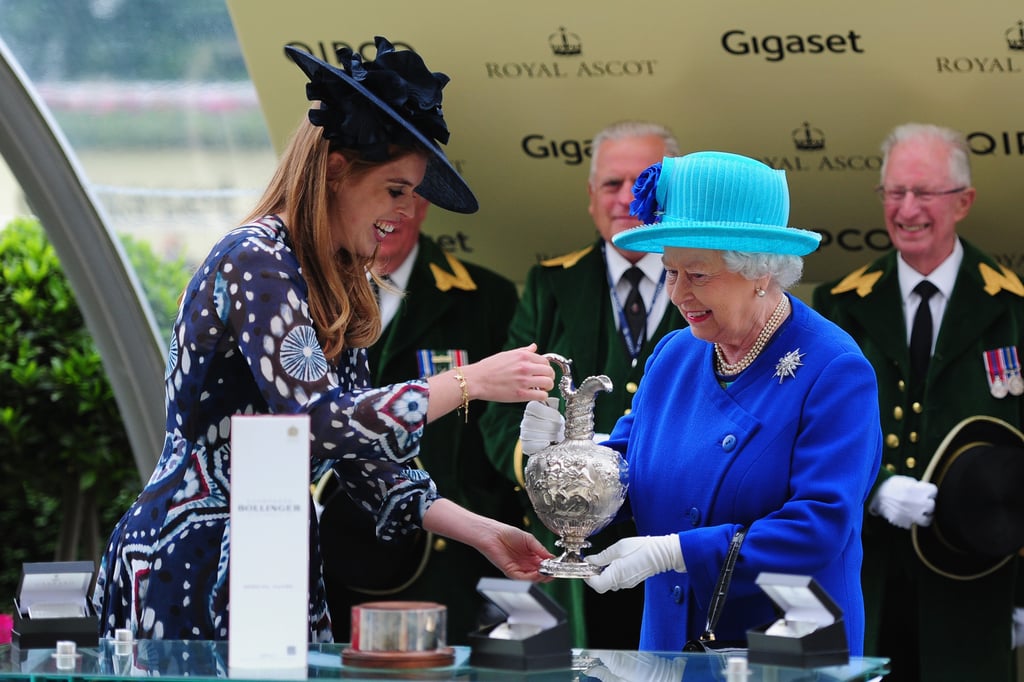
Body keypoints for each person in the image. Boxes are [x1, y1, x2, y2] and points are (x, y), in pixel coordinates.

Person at [90, 36, 556, 642]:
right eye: (395, 189)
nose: (406, 212)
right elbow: (315, 422)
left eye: (413, 194)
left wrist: (481, 531)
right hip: (188, 564)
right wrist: (469, 382)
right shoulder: (253, 257)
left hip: (273, 563)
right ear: (337, 170)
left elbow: (362, 457)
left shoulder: (334, 279)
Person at [522, 151, 882, 653]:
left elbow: (819, 525)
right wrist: (565, 457)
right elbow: (624, 474)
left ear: (760, 272)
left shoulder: (833, 368)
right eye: (670, 272)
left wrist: (676, 551)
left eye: (698, 275)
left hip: (786, 644)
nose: (677, 294)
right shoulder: (675, 355)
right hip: (673, 642)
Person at [812, 122, 1024, 681]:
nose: (907, 209)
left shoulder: (1013, 308)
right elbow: (808, 437)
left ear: (964, 201)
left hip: (979, 580)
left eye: (925, 192)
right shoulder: (841, 306)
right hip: (865, 577)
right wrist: (876, 486)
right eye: (895, 192)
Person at [479, 119, 685, 648]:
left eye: (642, 184)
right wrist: (552, 473)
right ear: (591, 196)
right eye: (610, 185)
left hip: (677, 536)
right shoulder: (551, 284)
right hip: (573, 543)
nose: (623, 199)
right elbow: (503, 416)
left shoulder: (710, 279)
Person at [316, 192, 523, 643]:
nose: (390, 211)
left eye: (403, 194)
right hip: (333, 554)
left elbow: (502, 430)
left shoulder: (485, 298)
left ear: (424, 206)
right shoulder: (312, 290)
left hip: (447, 559)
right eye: (378, 192)